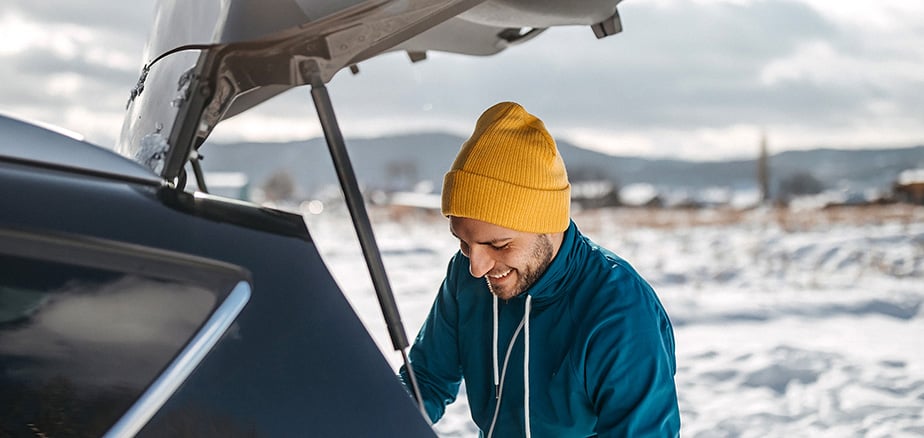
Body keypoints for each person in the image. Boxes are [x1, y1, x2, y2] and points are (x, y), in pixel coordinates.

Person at [400, 102, 680, 437]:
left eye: (498, 245)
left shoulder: (620, 309)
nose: (476, 267)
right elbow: (426, 381)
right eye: (463, 242)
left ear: (549, 225)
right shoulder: (467, 275)